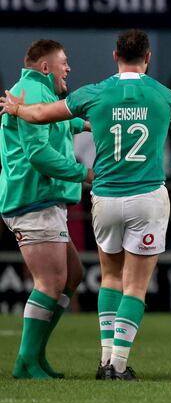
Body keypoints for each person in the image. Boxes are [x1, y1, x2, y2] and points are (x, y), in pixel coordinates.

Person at [1, 30, 171, 381]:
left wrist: (19, 109)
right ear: (148, 57)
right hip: (137, 196)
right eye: (64, 63)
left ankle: (93, 359)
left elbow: (43, 115)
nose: (68, 68)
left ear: (114, 56)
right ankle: (113, 365)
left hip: (105, 197)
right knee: (124, 285)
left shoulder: (92, 93)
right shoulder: (164, 95)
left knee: (93, 275)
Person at [1, 40, 92, 379]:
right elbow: (38, 154)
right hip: (33, 199)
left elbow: (59, 123)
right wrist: (84, 174)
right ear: (44, 67)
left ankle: (36, 356)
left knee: (72, 275)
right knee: (50, 282)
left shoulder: (40, 93)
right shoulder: (33, 93)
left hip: (42, 199)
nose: (68, 68)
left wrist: (92, 122)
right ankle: (26, 361)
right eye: (63, 62)